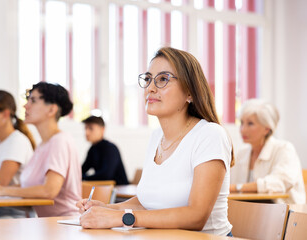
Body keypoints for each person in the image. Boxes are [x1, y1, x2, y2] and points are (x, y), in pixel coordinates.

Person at [76, 47, 234, 236]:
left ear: (190, 93)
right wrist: (107, 209)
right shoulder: (156, 137)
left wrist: (121, 218)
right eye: (148, 79)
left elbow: (196, 217)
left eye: (163, 79)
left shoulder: (209, 135)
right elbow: (146, 203)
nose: (150, 88)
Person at [0, 82, 82, 217]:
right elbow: (26, 187)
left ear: (51, 110)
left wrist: (2, 190)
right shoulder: (42, 145)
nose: (25, 105)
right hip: (45, 224)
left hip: (64, 224)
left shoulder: (60, 141)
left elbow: (49, 191)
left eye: (33, 101)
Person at [230, 99, 305, 204]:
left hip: (285, 215)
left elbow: (277, 184)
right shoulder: (241, 154)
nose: (242, 129)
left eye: (250, 123)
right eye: (241, 123)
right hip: (251, 213)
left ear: (267, 128)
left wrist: (237, 187)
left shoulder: (284, 149)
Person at [81, 115, 129, 185]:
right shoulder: (92, 149)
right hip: (104, 189)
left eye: (91, 128)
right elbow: (82, 170)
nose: (86, 133)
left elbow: (106, 175)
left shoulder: (110, 148)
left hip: (118, 190)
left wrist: (83, 178)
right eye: (85, 128)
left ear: (102, 129)